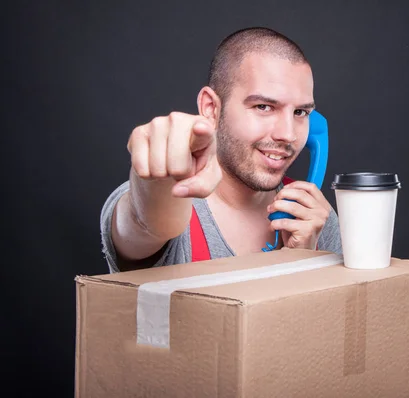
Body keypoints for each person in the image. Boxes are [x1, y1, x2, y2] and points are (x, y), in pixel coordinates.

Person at [100, 27, 342, 273]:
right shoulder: (161, 201)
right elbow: (145, 223)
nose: (288, 134)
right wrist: (157, 183)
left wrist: (304, 262)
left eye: (300, 112)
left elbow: (337, 311)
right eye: (264, 107)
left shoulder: (314, 217)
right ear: (211, 109)